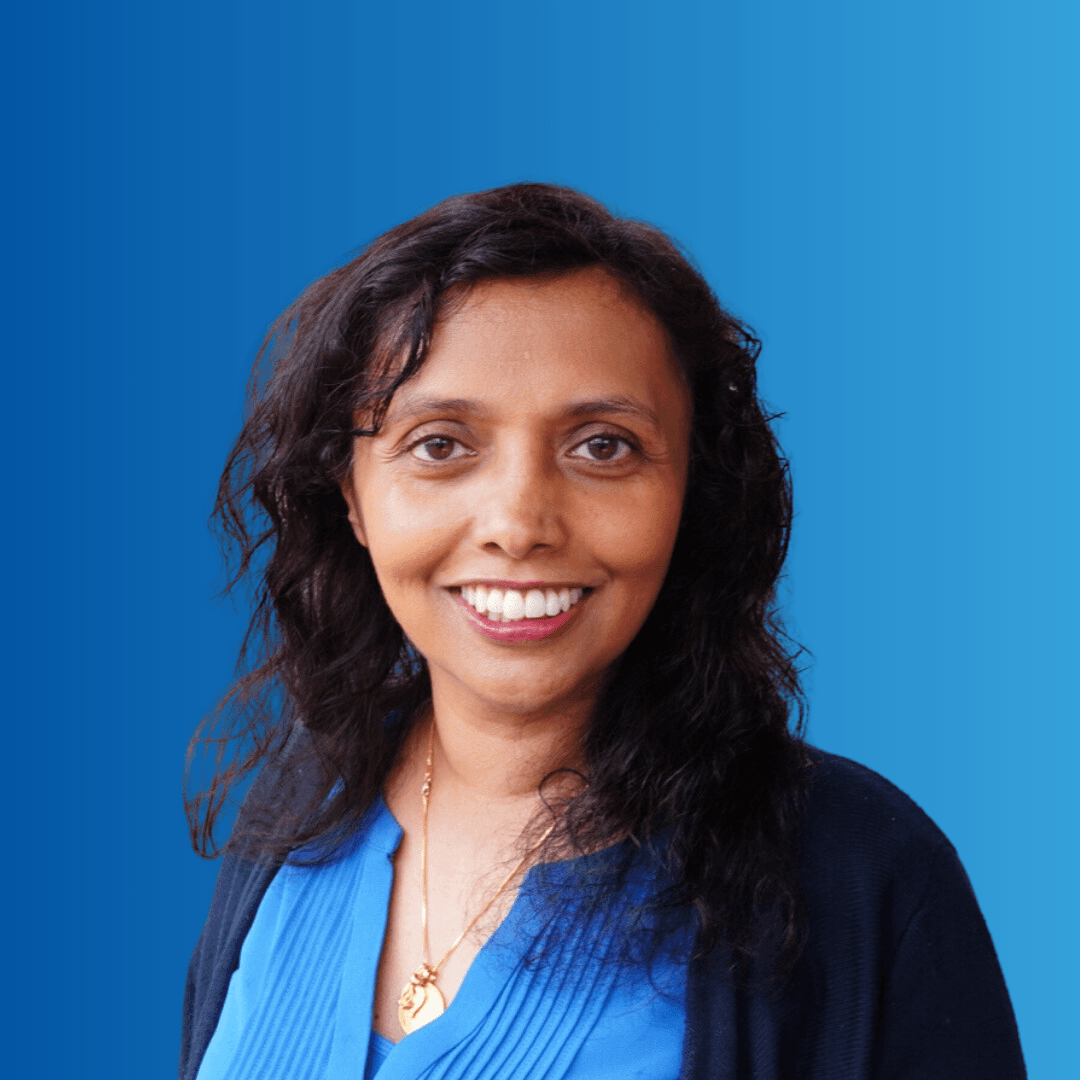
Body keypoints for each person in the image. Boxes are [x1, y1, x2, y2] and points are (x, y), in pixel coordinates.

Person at [181, 183, 1026, 1080]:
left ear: (691, 490)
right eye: (439, 444)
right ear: (350, 494)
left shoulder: (864, 878)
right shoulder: (299, 812)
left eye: (602, 446)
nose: (519, 522)